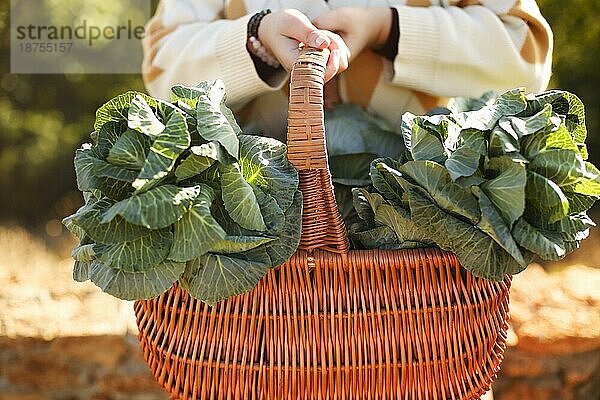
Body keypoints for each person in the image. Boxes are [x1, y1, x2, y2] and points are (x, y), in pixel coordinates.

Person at [141, 0, 552, 143]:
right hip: (251, 229)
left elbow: (525, 56)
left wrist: (387, 28)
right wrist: (257, 36)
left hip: (430, 230)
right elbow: (162, 72)